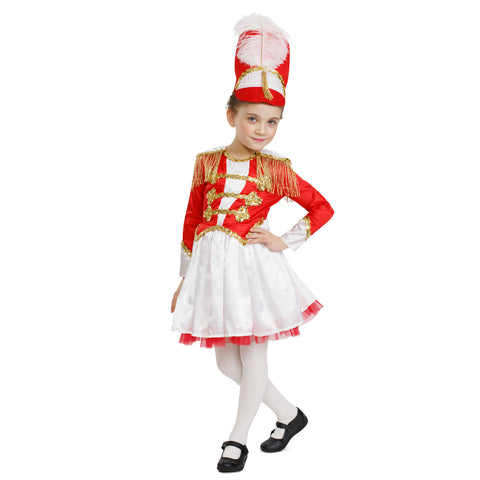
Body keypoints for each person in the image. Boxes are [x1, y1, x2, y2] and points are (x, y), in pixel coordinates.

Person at [170, 14, 334, 473]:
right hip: (212, 273)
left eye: (272, 122)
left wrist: (285, 240)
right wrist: (184, 281)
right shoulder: (206, 162)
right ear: (232, 115)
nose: (262, 130)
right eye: (253, 119)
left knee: (253, 353)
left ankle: (236, 439)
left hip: (253, 272)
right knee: (226, 363)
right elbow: (191, 220)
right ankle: (289, 415)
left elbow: (321, 207)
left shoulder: (276, 169)